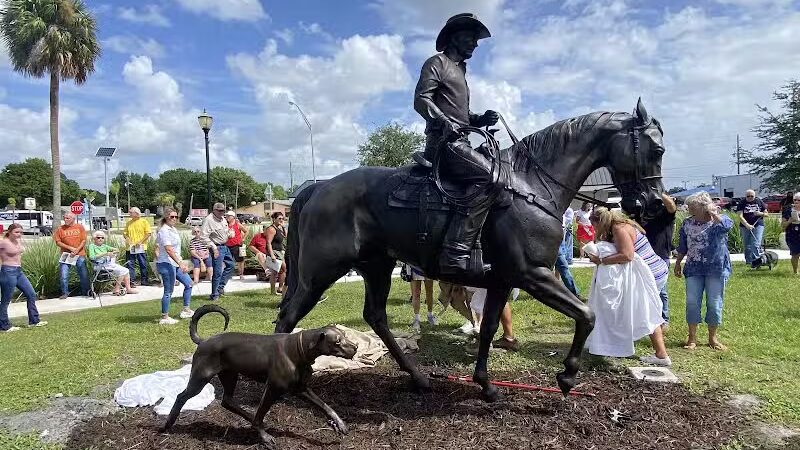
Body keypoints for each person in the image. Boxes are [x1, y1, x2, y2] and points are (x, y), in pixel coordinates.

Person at [413, 13, 499, 277]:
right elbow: (421, 100)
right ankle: (455, 252)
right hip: (443, 144)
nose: (475, 43)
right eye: (470, 37)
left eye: (476, 39)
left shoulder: (460, 69)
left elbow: (460, 113)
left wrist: (479, 119)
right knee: (490, 177)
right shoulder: (436, 63)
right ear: (454, 37)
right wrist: (442, 122)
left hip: (460, 140)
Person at [586, 207, 670, 366]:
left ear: (600, 221)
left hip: (650, 274)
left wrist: (602, 260)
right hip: (654, 270)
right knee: (646, 312)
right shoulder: (620, 225)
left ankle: (661, 355)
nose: (595, 229)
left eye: (595, 225)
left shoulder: (619, 229)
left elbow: (627, 255)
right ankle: (659, 353)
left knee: (647, 313)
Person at [674, 191, 733, 351]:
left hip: (716, 268)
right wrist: (678, 262)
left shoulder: (720, 220)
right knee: (692, 302)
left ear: (702, 206)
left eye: (692, 206)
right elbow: (682, 246)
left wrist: (714, 213)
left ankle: (712, 338)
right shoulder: (687, 223)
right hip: (693, 267)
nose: (689, 209)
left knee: (714, 303)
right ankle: (692, 338)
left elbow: (727, 227)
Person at [637, 193, 677, 326]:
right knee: (642, 289)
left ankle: (663, 319)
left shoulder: (665, 215)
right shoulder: (641, 216)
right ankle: (646, 318)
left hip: (661, 256)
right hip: (643, 258)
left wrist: (657, 191)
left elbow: (671, 206)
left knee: (661, 291)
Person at [1, 224, 46, 332]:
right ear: (9, 232)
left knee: (31, 294)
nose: (19, 234)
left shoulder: (18, 241)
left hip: (19, 272)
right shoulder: (3, 242)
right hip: (7, 272)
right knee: (6, 300)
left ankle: (34, 321)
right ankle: (4, 325)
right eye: (16, 232)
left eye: (21, 232)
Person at [155, 208, 193, 325]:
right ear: (166, 217)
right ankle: (164, 317)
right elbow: (169, 250)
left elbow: (174, 250)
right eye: (172, 217)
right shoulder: (164, 231)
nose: (174, 219)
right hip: (166, 263)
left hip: (175, 263)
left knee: (189, 283)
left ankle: (186, 310)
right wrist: (180, 263)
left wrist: (181, 262)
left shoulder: (173, 229)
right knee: (168, 291)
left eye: (176, 217)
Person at [200, 203, 235, 301]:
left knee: (231, 266)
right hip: (217, 247)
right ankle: (214, 294)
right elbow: (203, 236)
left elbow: (225, 231)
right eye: (219, 210)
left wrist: (229, 233)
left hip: (225, 246)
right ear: (214, 210)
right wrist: (213, 247)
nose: (222, 212)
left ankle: (220, 288)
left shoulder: (223, 219)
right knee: (217, 271)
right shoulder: (209, 220)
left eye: (223, 211)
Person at [87, 230, 138, 296]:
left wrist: (115, 252)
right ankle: (117, 289)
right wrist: (105, 254)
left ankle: (128, 288)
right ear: (94, 238)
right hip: (99, 265)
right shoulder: (92, 246)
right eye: (98, 237)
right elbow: (92, 257)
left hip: (108, 264)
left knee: (126, 270)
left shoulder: (104, 246)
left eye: (102, 238)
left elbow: (116, 249)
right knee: (123, 271)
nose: (101, 239)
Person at [53, 212, 89, 299]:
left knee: (83, 274)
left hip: (79, 254)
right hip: (66, 255)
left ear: (73, 218)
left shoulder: (79, 227)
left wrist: (76, 250)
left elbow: (83, 240)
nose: (65, 220)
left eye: (67, 218)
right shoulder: (60, 229)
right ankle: (65, 293)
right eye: (64, 218)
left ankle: (86, 292)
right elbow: (58, 242)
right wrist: (70, 248)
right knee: (63, 274)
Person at [250, 212, 287, 295]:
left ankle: (278, 289)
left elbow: (285, 236)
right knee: (280, 270)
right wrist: (272, 255)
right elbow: (268, 243)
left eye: (282, 218)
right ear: (274, 219)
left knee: (279, 271)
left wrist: (283, 227)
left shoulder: (279, 228)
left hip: (279, 251)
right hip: (274, 251)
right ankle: (276, 290)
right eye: (279, 218)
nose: (281, 220)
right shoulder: (271, 229)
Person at [736, 189, 767, 267]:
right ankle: (749, 262)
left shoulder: (759, 201)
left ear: (755, 196)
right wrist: (747, 225)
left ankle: (756, 261)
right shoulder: (742, 203)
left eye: (751, 196)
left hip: (758, 225)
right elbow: (740, 216)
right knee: (747, 245)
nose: (750, 197)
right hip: (745, 226)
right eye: (748, 196)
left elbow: (766, 214)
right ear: (745, 196)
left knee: (755, 243)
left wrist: (761, 213)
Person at [123, 207, 151, 286]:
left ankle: (144, 280)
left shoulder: (144, 222)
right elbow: (125, 233)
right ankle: (132, 281)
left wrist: (140, 241)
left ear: (136, 213)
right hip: (130, 247)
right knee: (130, 264)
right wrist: (127, 238)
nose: (129, 214)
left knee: (143, 263)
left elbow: (148, 233)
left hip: (141, 247)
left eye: (131, 212)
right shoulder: (128, 223)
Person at [555, 208, 579, 296]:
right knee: (563, 267)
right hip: (555, 242)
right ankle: (574, 293)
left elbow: (565, 224)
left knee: (562, 267)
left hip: (560, 242)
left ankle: (573, 292)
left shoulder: (567, 211)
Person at [407, 265, 436, 333]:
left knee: (429, 291)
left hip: (427, 264)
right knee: (416, 292)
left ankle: (430, 315)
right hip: (414, 264)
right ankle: (417, 318)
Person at [224, 211, 249, 281]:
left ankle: (241, 274)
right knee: (227, 261)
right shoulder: (225, 224)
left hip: (237, 245)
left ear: (233, 217)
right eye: (227, 216)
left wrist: (243, 238)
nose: (227, 217)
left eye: (229, 216)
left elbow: (246, 231)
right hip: (227, 245)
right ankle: (228, 274)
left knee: (240, 261)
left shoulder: (237, 224)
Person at [781, 193, 800, 274]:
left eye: (798, 200)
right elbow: (782, 226)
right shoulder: (788, 210)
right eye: (794, 200)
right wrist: (789, 221)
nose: (796, 201)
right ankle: (795, 272)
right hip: (792, 234)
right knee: (795, 254)